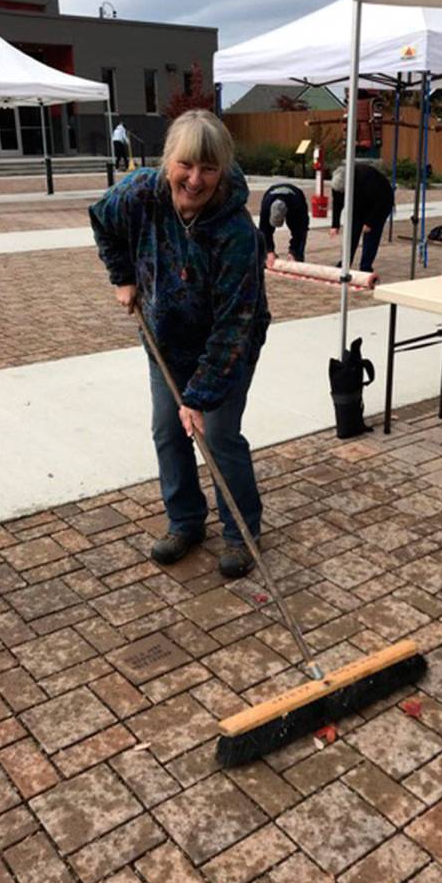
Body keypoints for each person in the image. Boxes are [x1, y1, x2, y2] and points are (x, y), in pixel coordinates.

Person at [90, 109, 270, 579]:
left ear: (222, 170)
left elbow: (234, 325)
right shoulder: (140, 193)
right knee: (168, 431)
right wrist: (123, 276)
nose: (195, 179)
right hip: (165, 340)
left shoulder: (236, 234)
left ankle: (242, 533)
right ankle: (185, 520)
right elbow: (101, 220)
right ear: (168, 160)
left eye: (209, 168)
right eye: (185, 165)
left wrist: (199, 397)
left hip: (227, 345)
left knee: (218, 435)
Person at [329, 163, 393, 273]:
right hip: (358, 206)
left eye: (343, 191)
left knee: (371, 236)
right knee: (351, 234)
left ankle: (366, 266)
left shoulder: (367, 178)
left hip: (380, 204)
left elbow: (381, 201)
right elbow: (337, 203)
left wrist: (370, 222)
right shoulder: (337, 184)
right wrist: (335, 225)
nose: (341, 193)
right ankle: (345, 262)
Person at [258, 182, 310, 267]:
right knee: (266, 245)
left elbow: (301, 231)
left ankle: (296, 257)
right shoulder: (266, 206)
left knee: (300, 231)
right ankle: (268, 256)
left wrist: (293, 252)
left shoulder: (297, 206)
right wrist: (269, 251)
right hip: (271, 194)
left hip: (295, 197)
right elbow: (264, 230)